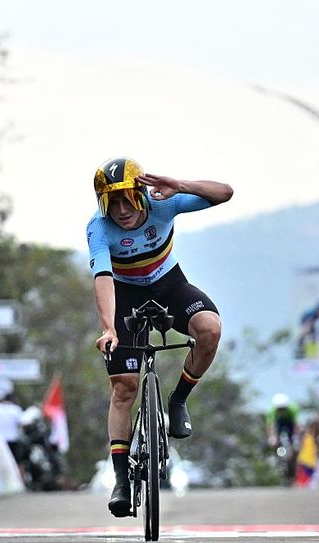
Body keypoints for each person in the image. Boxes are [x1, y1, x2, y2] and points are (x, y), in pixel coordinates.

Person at [86, 157, 232, 517]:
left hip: (169, 285)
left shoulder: (162, 202)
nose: (121, 211)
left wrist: (180, 185)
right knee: (124, 388)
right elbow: (103, 278)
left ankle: (178, 400)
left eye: (127, 200)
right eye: (112, 203)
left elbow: (225, 193)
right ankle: (121, 480)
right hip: (124, 296)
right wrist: (109, 328)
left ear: (140, 195)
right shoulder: (98, 228)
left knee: (210, 329)